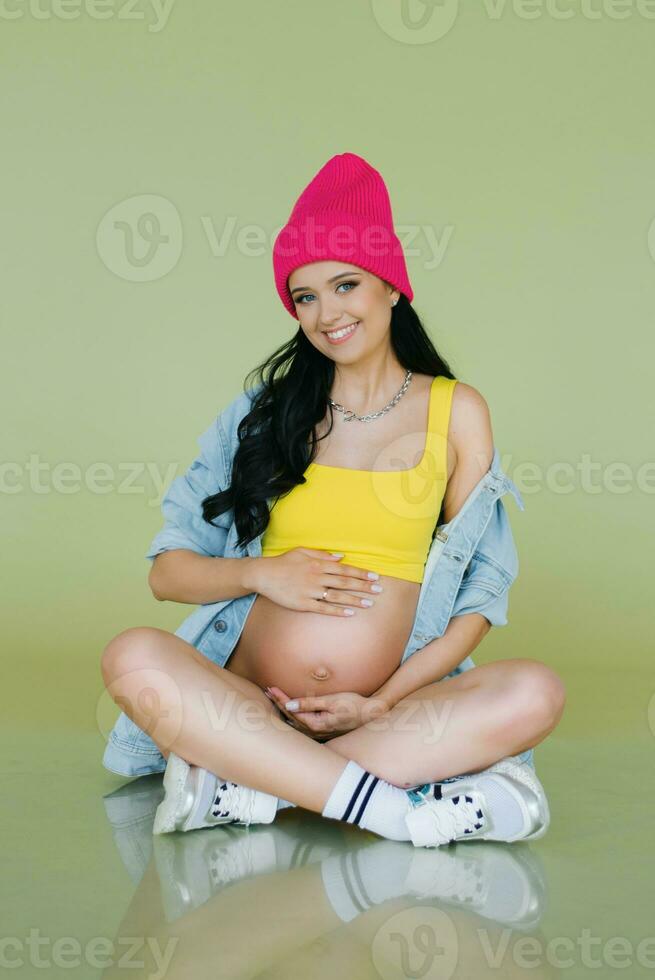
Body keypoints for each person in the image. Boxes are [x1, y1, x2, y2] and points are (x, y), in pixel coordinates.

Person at [101, 152, 566, 847]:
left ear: (391, 288)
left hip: (382, 715)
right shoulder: (264, 415)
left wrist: (378, 701)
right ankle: (392, 809)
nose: (326, 313)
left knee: (535, 690)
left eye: (344, 284)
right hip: (249, 704)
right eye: (305, 296)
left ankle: (253, 784)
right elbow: (166, 574)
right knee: (134, 656)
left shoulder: (456, 412)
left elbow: (478, 598)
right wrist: (260, 573)